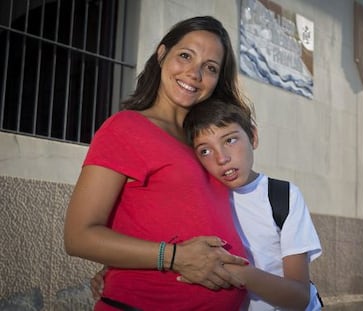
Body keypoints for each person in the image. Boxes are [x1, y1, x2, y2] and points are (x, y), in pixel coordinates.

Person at [64, 16, 252, 311]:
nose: (194, 73)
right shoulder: (125, 128)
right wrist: (175, 257)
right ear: (162, 55)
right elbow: (79, 236)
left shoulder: (205, 143)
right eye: (185, 56)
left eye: (210, 68)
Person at [91, 99, 323, 310]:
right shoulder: (198, 196)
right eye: (205, 150)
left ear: (253, 136)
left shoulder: (283, 195)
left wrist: (235, 272)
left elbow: (299, 296)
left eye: (230, 140)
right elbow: (168, 247)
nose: (221, 158)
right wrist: (115, 271)